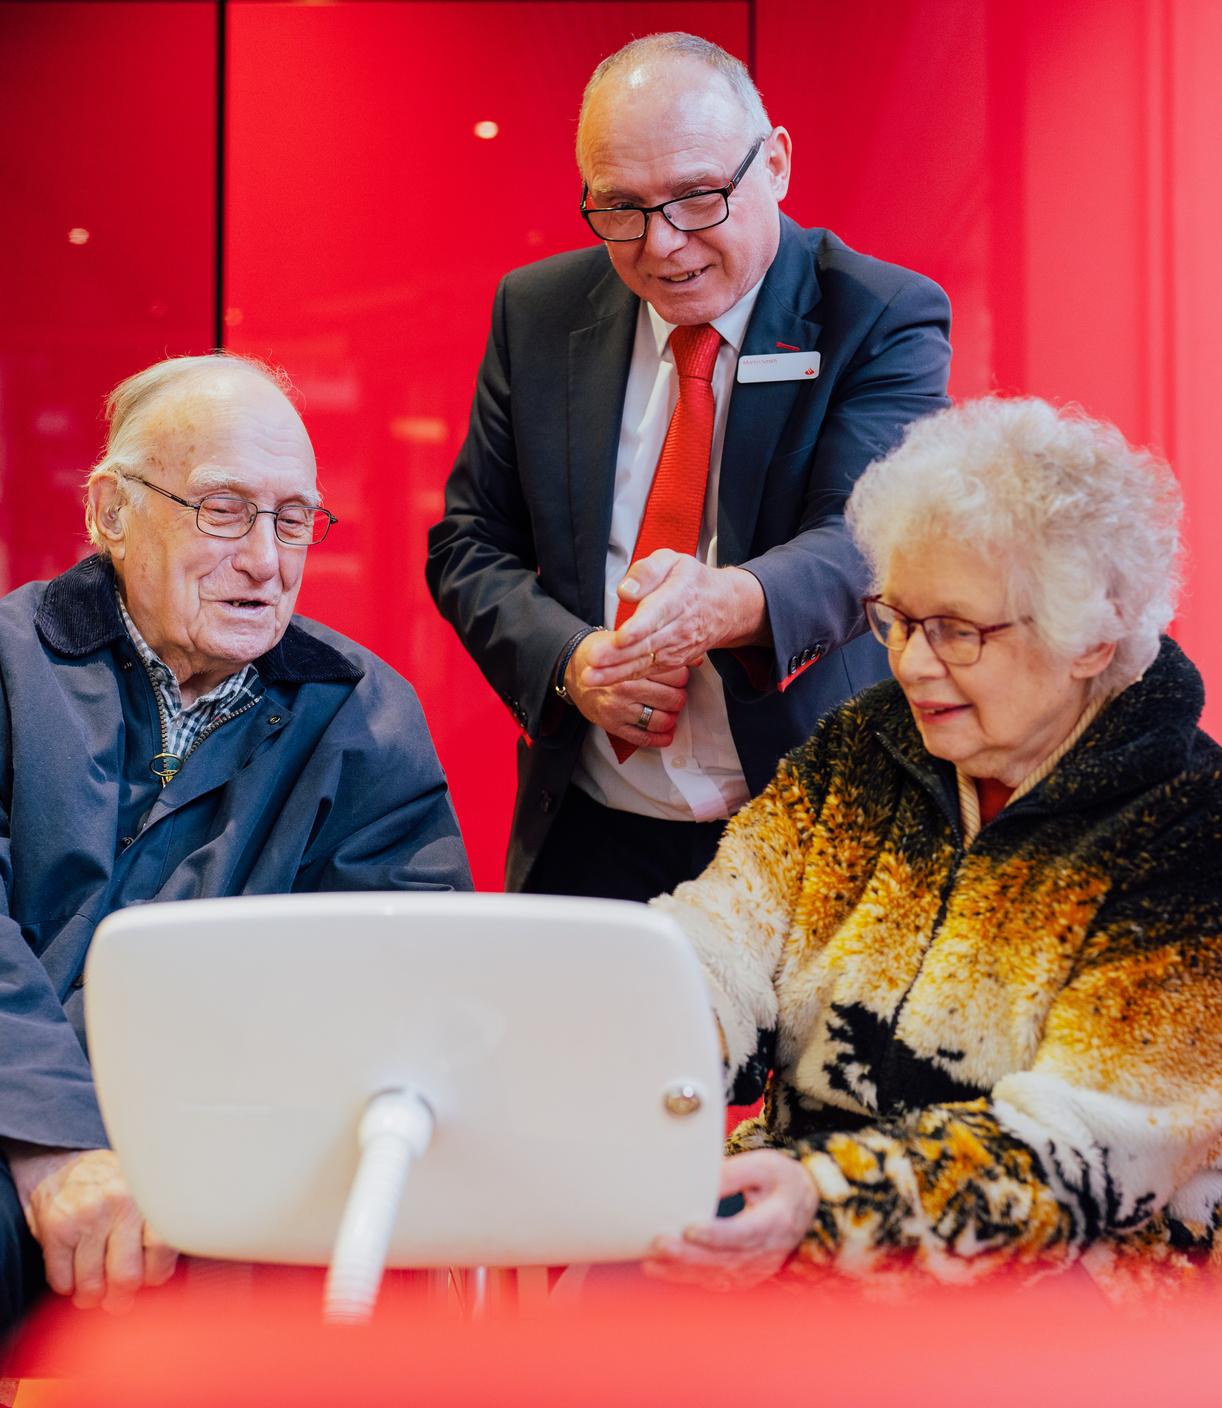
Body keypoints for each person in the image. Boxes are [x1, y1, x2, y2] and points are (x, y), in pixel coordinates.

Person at [643, 396, 1222, 1305]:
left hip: (1114, 1257)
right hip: (815, 1225)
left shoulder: (1187, 809)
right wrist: (650, 1048)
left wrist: (832, 1202)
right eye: (899, 619)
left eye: (958, 630)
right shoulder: (864, 749)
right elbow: (717, 943)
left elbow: (1093, 1142)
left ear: (1089, 639)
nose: (910, 663)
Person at [0, 354, 472, 1331]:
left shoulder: (361, 710)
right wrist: (52, 1142)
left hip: (241, 1146)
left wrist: (194, 1155)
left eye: (293, 517)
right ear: (112, 513)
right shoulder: (12, 661)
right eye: (222, 508)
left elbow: (402, 985)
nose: (266, 557)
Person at [427, 32, 952, 897]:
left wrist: (725, 604)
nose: (663, 245)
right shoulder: (539, 311)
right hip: (591, 827)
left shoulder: (879, 313)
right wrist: (572, 662)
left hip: (807, 827)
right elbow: (470, 544)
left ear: (775, 163)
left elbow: (870, 543)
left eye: (698, 197)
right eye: (620, 208)